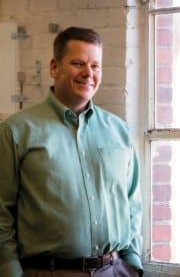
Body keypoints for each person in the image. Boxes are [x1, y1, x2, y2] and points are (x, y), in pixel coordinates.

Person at [0, 26, 143, 277]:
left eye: (96, 66)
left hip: (116, 270)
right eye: (78, 63)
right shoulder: (15, 131)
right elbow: (1, 213)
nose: (88, 73)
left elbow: (132, 203)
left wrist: (133, 263)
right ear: (54, 67)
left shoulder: (119, 131)